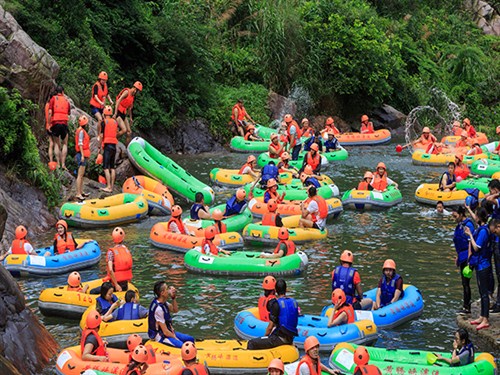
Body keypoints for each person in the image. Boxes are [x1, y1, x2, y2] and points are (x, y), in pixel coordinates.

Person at [464, 211, 494, 330]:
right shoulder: (482, 228)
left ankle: (485, 319)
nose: (474, 217)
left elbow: (477, 247)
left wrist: (470, 235)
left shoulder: (482, 231)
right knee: (482, 292)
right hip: (479, 264)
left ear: (479, 218)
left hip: (483, 265)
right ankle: (482, 316)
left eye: (476, 215)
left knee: (484, 293)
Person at [247, 279, 298, 350]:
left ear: (276, 291)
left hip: (279, 339)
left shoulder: (276, 304)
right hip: (290, 338)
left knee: (251, 343)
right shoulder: (294, 302)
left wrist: (265, 337)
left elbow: (270, 328)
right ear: (286, 289)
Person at [148, 280, 194, 347]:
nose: (169, 290)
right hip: (161, 336)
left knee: (190, 339)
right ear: (162, 293)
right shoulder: (158, 309)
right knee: (182, 345)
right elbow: (165, 332)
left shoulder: (164, 303)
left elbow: (175, 310)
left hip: (169, 331)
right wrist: (176, 338)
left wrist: (173, 298)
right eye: (167, 289)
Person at [452, 206, 476, 315]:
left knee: (466, 283)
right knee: (464, 283)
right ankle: (465, 305)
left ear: (461, 214)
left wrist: (469, 259)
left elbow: (470, 241)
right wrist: (458, 256)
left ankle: (467, 307)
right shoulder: (460, 225)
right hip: (461, 256)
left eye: (455, 216)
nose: (454, 218)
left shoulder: (468, 225)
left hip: (467, 256)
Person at [100, 105, 126, 193]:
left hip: (107, 146)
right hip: (114, 146)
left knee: (105, 167)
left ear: (104, 113)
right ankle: (112, 186)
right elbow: (119, 132)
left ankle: (109, 186)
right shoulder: (115, 122)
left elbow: (101, 135)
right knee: (112, 167)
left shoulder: (104, 122)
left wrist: (100, 148)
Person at [485, 179, 500, 313]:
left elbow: (489, 199)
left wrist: (496, 194)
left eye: (491, 190)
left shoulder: (498, 200)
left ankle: (499, 303)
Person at [102, 227, 132, 292]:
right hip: (125, 284)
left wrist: (116, 285)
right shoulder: (126, 250)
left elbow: (110, 269)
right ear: (123, 237)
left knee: (92, 291)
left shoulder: (111, 252)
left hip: (115, 286)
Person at [48, 85, 71, 170]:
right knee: (65, 143)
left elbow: (50, 112)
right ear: (63, 92)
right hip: (64, 123)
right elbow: (68, 112)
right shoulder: (66, 100)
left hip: (55, 123)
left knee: (57, 144)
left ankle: (57, 163)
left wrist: (49, 123)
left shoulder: (53, 99)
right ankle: (63, 164)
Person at [114, 81, 143, 145]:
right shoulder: (127, 92)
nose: (138, 93)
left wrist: (130, 118)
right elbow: (118, 101)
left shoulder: (132, 97)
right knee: (124, 130)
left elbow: (129, 108)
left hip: (123, 113)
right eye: (138, 92)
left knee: (129, 132)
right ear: (135, 90)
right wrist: (115, 113)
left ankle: (126, 147)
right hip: (118, 112)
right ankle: (113, 139)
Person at [90, 71, 113, 139]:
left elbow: (107, 94)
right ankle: (98, 135)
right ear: (99, 79)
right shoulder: (96, 86)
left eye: (105, 80)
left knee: (105, 120)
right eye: (102, 80)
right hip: (94, 106)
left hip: (101, 107)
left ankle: (104, 134)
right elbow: (95, 95)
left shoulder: (105, 85)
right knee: (100, 119)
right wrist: (100, 102)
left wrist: (110, 100)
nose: (103, 81)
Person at [75, 115, 91, 200]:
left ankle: (81, 192)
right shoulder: (81, 131)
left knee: (81, 175)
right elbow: (80, 144)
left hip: (83, 154)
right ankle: (78, 193)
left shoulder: (81, 131)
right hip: (81, 154)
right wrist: (82, 155)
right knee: (80, 175)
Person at [44, 91, 56, 169]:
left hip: (47, 125)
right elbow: (50, 114)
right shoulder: (52, 106)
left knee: (51, 142)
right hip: (52, 125)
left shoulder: (46, 105)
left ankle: (51, 160)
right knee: (54, 143)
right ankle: (53, 161)